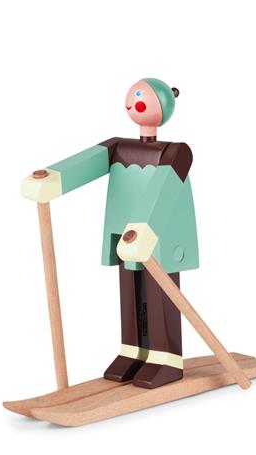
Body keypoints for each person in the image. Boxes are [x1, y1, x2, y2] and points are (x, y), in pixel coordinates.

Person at [21, 78, 199, 389]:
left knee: (159, 293)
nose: (136, 103)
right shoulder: (119, 147)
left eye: (143, 97)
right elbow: (87, 162)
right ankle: (132, 352)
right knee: (129, 290)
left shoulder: (177, 153)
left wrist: (144, 227)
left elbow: (164, 189)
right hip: (124, 231)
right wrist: (52, 178)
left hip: (159, 233)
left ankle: (166, 359)